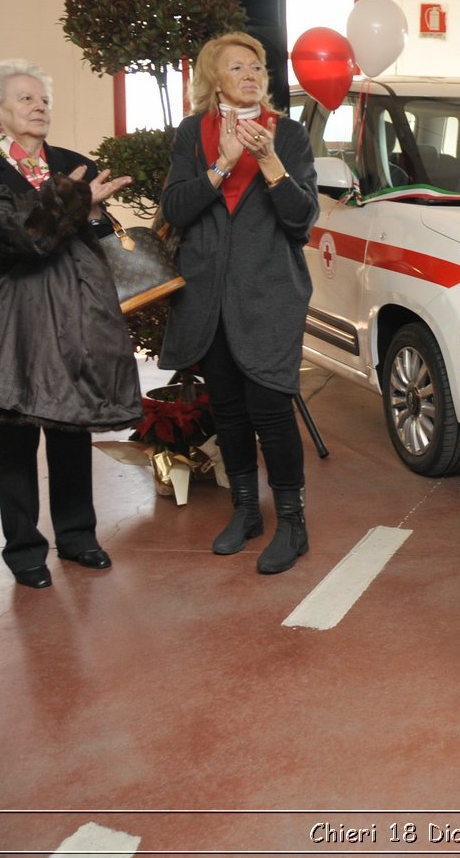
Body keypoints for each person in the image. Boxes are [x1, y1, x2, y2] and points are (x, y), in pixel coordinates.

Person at [160, 33, 320, 575]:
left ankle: (292, 522)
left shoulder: (289, 134)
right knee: (226, 409)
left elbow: (301, 220)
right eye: (237, 67)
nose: (251, 75)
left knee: (271, 410)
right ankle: (246, 511)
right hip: (207, 298)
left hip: (269, 296)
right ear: (214, 79)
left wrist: (269, 162)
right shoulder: (193, 133)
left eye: (257, 67)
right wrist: (222, 165)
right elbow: (177, 209)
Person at [0, 59, 137, 588]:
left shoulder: (74, 164)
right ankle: (25, 549)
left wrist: (93, 214)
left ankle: (78, 537)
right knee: (13, 434)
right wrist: (76, 204)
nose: (39, 108)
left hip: (75, 317)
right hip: (9, 323)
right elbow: (20, 239)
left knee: (72, 426)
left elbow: (97, 240)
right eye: (26, 99)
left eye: (44, 99)